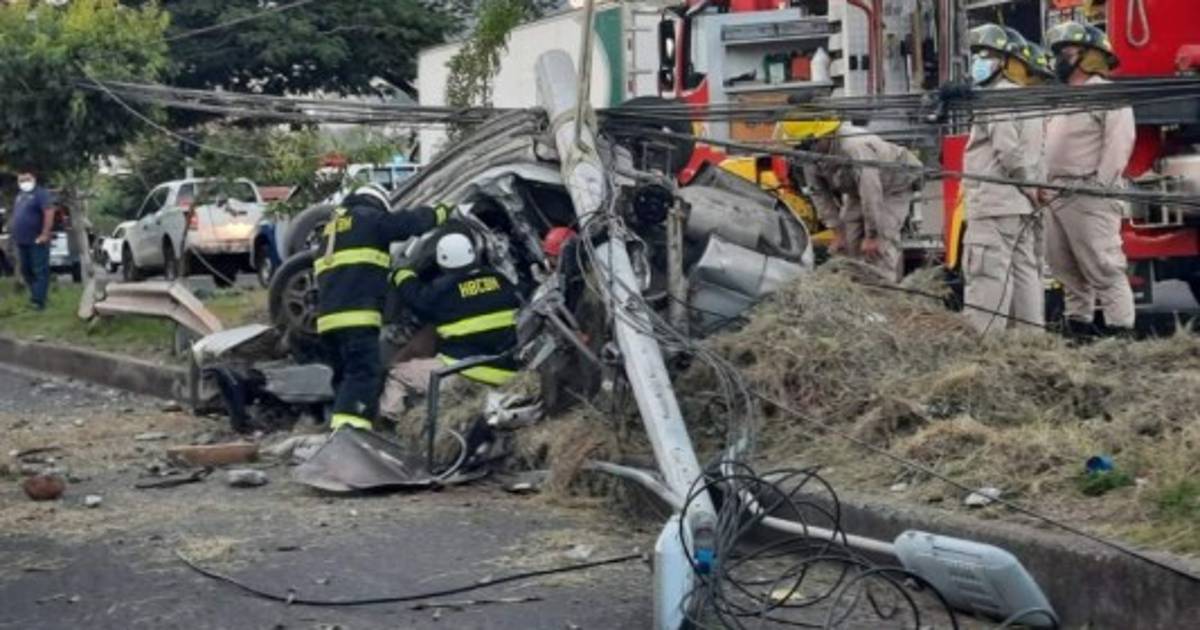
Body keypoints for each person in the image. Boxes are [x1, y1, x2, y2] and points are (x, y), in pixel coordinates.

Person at [315, 184, 447, 432]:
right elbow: (407, 223)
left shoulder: (332, 230)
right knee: (363, 375)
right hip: (356, 318)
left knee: (345, 378)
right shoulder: (367, 218)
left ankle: (338, 428)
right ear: (376, 203)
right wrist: (439, 213)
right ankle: (351, 433)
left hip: (327, 322)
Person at [1042, 22, 1137, 337]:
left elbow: (1119, 142)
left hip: (1088, 193)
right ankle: (1078, 327)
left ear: (1089, 56)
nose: (1060, 59)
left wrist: (1101, 186)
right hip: (1056, 192)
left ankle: (1120, 334)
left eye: (1067, 52)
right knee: (1065, 268)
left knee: (1103, 266)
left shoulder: (1107, 94)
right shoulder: (1064, 97)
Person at [960, 25, 1049, 334]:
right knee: (1025, 274)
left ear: (1007, 61)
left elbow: (1008, 150)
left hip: (994, 203)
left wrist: (1027, 183)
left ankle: (984, 346)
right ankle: (1031, 342)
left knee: (987, 276)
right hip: (1020, 206)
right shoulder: (1028, 99)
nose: (979, 62)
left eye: (987, 55)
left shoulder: (996, 97)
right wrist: (1034, 188)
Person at [778, 120, 923, 282]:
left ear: (825, 136)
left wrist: (872, 236)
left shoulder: (854, 147)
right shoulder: (810, 155)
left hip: (893, 185)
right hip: (857, 189)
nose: (802, 152)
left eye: (805, 146)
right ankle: (854, 287)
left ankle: (883, 289)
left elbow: (870, 190)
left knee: (878, 246)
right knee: (848, 241)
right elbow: (819, 194)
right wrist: (837, 231)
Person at [391, 231, 522, 388]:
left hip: (465, 370)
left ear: (441, 262)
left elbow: (417, 299)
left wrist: (401, 272)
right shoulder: (500, 280)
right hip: (508, 371)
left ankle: (384, 405)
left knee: (397, 375)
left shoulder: (442, 291)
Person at [10, 171, 56, 310]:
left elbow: (49, 212)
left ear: (33, 179)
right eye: (21, 179)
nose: (24, 182)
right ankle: (36, 296)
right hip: (21, 240)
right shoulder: (20, 196)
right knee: (26, 270)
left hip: (37, 240)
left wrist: (45, 234)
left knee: (39, 270)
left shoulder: (40, 194)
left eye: (27, 179)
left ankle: (38, 302)